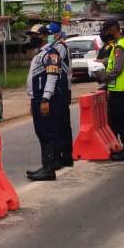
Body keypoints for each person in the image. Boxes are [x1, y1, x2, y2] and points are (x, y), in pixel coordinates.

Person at [25, 26, 70, 181]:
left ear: (44, 36)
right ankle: (46, 166)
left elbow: (52, 77)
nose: (32, 38)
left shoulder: (51, 53)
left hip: (44, 98)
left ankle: (49, 168)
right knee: (42, 132)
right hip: (37, 98)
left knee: (47, 133)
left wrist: (45, 99)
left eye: (35, 35)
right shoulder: (41, 53)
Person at [92, 19, 124, 161]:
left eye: (106, 30)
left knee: (120, 121)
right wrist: (104, 62)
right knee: (122, 120)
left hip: (120, 89)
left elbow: (117, 68)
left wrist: (103, 77)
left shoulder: (119, 47)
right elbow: (116, 63)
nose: (105, 33)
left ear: (113, 29)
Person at [45, 22, 74, 169]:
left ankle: (64, 156)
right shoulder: (55, 47)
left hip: (61, 89)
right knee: (61, 124)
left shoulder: (60, 47)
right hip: (62, 87)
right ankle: (65, 155)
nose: (48, 36)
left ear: (56, 34)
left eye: (50, 34)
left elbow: (56, 67)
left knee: (60, 124)